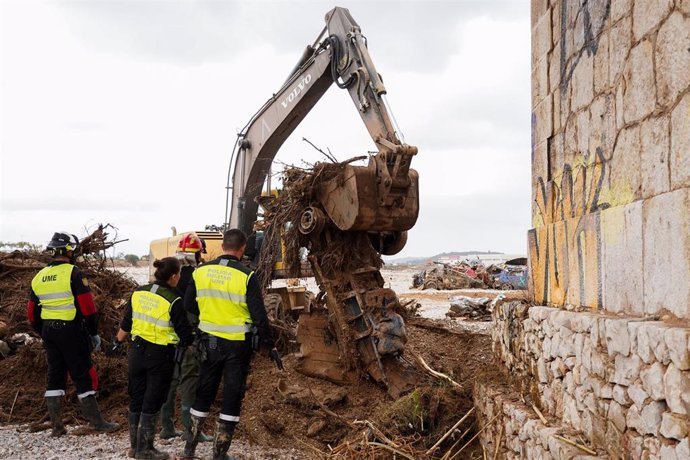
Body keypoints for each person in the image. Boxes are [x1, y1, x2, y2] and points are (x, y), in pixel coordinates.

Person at [182, 229, 283, 460]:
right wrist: (270, 345)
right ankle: (219, 453)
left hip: (209, 342)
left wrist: (208, 318)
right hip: (237, 345)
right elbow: (259, 316)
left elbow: (189, 304)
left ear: (223, 246)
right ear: (243, 247)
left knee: (203, 392)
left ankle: (190, 447)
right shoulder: (246, 275)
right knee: (232, 394)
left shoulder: (201, 272)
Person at [28, 232, 119, 437]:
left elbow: (31, 313)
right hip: (71, 330)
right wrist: (94, 332)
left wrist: (43, 331)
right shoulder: (74, 273)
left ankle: (57, 427)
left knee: (55, 375)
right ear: (69, 250)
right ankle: (96, 422)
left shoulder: (39, 276)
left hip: (49, 332)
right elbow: (88, 308)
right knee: (82, 373)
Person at [112, 257, 194, 460]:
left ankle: (134, 447)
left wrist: (117, 343)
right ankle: (145, 450)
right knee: (153, 400)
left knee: (137, 398)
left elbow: (126, 323)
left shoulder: (138, 293)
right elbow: (185, 334)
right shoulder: (173, 300)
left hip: (136, 352)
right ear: (174, 276)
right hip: (160, 356)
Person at [158, 234, 212, 442]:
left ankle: (167, 427)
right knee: (189, 379)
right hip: (189, 335)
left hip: (168, 336)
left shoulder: (168, 276)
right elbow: (197, 307)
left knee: (170, 380)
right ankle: (190, 431)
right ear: (197, 254)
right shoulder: (198, 276)